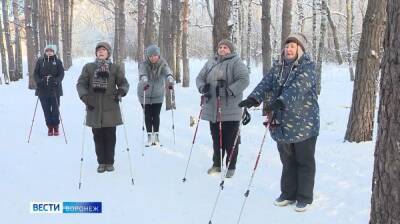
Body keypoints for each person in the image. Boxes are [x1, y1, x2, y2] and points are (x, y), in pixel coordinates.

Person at [239, 33, 320, 212]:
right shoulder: (278, 67)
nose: (289, 49)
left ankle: (304, 197)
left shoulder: (307, 67)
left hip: (304, 124)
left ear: (300, 49)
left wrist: (281, 101)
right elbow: (265, 83)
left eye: (293, 46)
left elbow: (298, 88)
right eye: (287, 46)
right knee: (288, 160)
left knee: (304, 160)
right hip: (281, 123)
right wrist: (253, 99)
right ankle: (288, 193)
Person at [196, 39, 250, 178]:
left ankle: (231, 166)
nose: (222, 49)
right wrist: (203, 87)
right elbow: (199, 78)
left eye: (225, 47)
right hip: (213, 108)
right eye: (220, 47)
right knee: (216, 138)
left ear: (230, 50)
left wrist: (229, 90)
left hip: (230, 109)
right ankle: (217, 164)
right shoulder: (210, 62)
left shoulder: (236, 62)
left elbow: (244, 79)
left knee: (230, 140)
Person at [76, 42, 129, 173]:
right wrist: (85, 97)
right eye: (99, 50)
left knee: (110, 136)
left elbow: (123, 83)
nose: (101, 52)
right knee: (97, 137)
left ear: (108, 53)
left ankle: (110, 162)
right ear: (96, 53)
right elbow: (81, 84)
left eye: (104, 50)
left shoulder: (115, 68)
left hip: (111, 108)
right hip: (93, 107)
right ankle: (101, 162)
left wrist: (120, 91)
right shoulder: (88, 67)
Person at [137, 44, 174, 147]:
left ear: (158, 55)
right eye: (151, 56)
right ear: (148, 56)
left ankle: (156, 136)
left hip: (158, 93)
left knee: (156, 115)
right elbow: (142, 72)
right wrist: (144, 78)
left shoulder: (163, 63)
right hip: (144, 92)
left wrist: (170, 77)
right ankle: (149, 136)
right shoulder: (144, 64)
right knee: (148, 115)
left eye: (155, 55)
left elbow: (167, 71)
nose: (153, 57)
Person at [34, 44, 65, 136]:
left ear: (54, 52)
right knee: (46, 109)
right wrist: (39, 81)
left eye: (51, 50)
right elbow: (35, 73)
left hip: (55, 89)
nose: (49, 52)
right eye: (47, 50)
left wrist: (56, 81)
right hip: (42, 89)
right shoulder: (40, 61)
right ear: (45, 51)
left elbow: (61, 74)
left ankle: (56, 126)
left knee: (55, 109)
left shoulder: (58, 61)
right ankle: (50, 127)